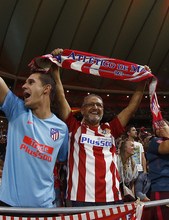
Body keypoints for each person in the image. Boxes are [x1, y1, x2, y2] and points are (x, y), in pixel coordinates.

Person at [0, 16, 69, 208]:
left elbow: (63, 159)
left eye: (31, 82)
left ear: (46, 90)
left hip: (45, 209)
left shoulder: (61, 129)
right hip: (10, 206)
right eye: (25, 82)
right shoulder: (17, 110)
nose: (24, 86)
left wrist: (56, 71)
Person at [51, 48, 148, 206]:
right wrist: (55, 69)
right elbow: (61, 97)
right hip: (79, 198)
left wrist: (141, 81)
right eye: (91, 104)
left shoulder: (111, 129)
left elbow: (131, 108)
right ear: (82, 110)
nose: (95, 107)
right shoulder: (73, 127)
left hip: (111, 197)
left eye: (99, 105)